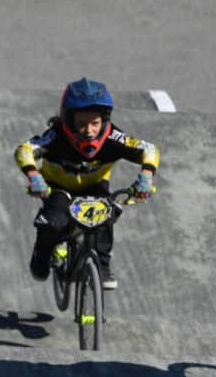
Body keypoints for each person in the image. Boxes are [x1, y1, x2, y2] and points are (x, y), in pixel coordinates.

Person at [15, 79, 159, 288]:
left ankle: (102, 266)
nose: (89, 131)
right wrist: (34, 176)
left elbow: (150, 149)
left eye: (95, 123)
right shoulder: (57, 136)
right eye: (81, 124)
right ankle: (43, 249)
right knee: (54, 222)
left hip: (95, 186)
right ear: (68, 120)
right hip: (57, 186)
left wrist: (146, 176)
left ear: (104, 120)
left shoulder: (113, 137)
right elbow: (24, 150)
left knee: (105, 217)